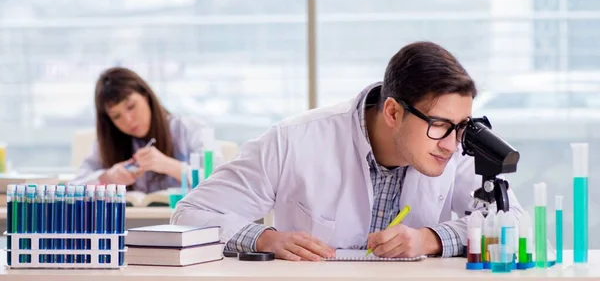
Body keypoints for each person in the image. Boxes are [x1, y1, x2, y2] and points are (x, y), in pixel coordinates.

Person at [171, 41, 523, 260]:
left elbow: (515, 224)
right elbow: (190, 214)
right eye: (440, 125)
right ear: (393, 112)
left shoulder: (453, 145)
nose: (451, 143)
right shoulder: (294, 139)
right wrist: (266, 238)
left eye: (461, 126)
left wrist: (430, 238)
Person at [72, 67, 216, 193]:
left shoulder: (190, 129)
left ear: (146, 96)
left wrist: (170, 166)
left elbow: (220, 184)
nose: (128, 120)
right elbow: (75, 186)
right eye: (116, 116)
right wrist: (107, 177)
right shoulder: (108, 143)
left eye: (131, 106)